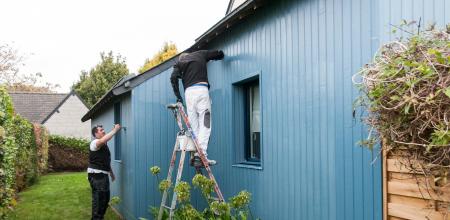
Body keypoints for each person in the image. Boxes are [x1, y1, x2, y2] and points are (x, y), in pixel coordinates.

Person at [170, 50, 224, 165]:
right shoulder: (200, 54)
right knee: (205, 123)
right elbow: (217, 53)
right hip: (201, 90)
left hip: (188, 94)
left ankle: (197, 154)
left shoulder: (179, 63)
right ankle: (201, 154)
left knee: (194, 125)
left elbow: (173, 78)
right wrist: (221, 55)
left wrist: (178, 97)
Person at [88, 124, 121, 220]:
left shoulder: (104, 146)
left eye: (103, 129)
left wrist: (111, 173)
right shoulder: (94, 143)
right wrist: (115, 130)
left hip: (103, 175)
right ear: (95, 134)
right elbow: (103, 140)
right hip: (97, 176)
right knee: (99, 202)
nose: (103, 131)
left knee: (105, 200)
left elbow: (105, 161)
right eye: (101, 130)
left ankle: (99, 217)